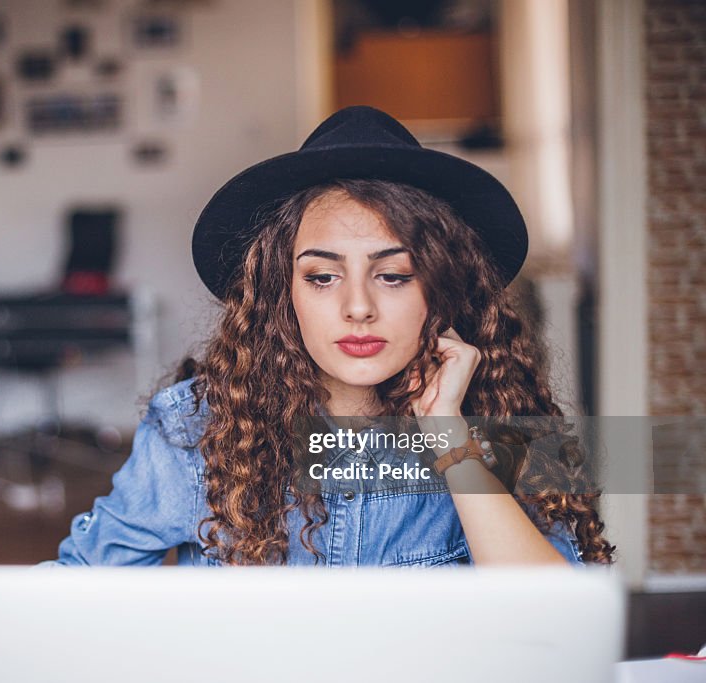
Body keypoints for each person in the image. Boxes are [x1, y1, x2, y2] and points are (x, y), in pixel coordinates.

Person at [42, 106, 615, 567]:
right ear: (280, 294)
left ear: (444, 292)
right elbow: (71, 602)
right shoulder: (195, 432)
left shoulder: (504, 423)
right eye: (322, 277)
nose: (358, 307)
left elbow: (554, 626)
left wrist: (450, 439)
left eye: (393, 276)